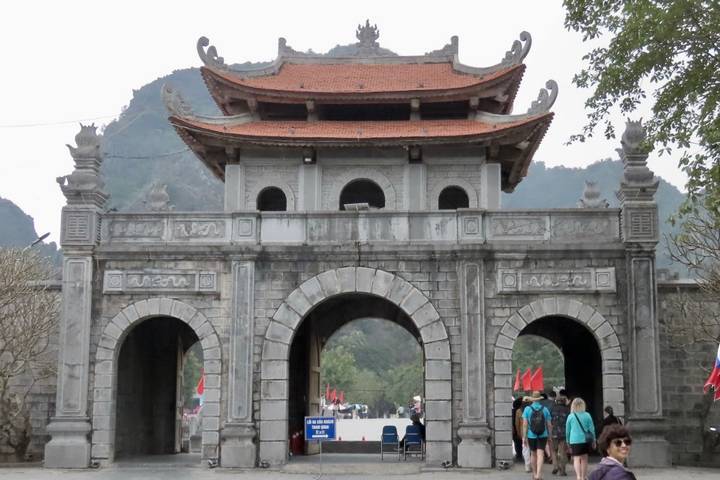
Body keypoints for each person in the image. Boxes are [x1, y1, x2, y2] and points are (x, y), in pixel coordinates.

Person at [523, 391, 552, 480]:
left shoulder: (527, 409)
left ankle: (534, 474)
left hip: (531, 435)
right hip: (543, 435)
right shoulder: (545, 409)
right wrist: (549, 436)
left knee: (533, 454)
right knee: (541, 454)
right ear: (539, 399)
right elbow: (549, 424)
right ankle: (539, 474)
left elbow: (525, 424)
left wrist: (524, 436)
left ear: (532, 399)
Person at [565, 397, 596, 480]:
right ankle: (583, 476)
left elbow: (567, 430)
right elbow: (592, 429)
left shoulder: (570, 416)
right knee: (584, 459)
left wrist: (567, 441)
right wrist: (594, 440)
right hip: (585, 440)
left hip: (574, 440)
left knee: (576, 459)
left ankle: (578, 477)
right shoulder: (587, 415)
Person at [550, 392, 570, 476]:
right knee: (562, 452)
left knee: (553, 451)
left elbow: (549, 421)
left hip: (554, 432)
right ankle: (562, 470)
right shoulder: (567, 410)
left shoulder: (552, 408)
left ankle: (555, 466)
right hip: (563, 433)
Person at [516, 398, 532, 472]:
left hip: (524, 432)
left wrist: (519, 432)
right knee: (533, 450)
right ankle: (533, 465)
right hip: (533, 432)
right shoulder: (533, 410)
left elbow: (517, 424)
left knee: (526, 449)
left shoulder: (519, 411)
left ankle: (527, 466)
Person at [512, 397, 525, 461]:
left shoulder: (513, 411)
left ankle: (519, 454)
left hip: (515, 428)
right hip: (519, 429)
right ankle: (520, 455)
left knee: (517, 442)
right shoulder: (520, 411)